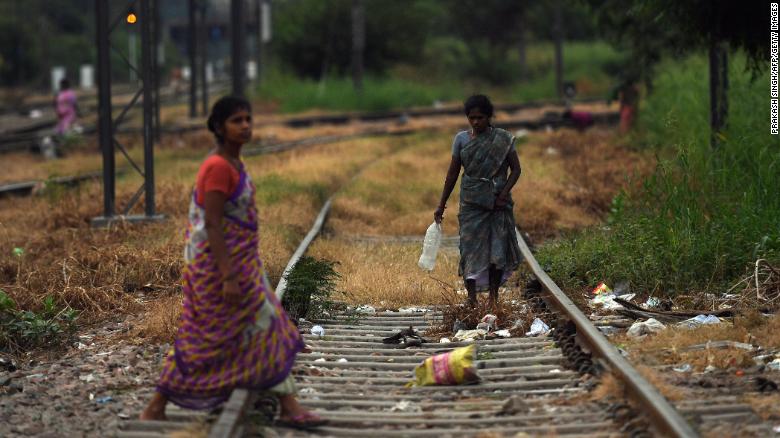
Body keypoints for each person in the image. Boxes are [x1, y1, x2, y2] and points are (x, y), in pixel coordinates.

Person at [140, 96, 326, 430]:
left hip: (241, 266)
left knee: (261, 327)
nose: (245, 126)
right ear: (219, 127)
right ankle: (156, 404)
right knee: (211, 336)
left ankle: (289, 405)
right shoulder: (217, 167)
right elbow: (211, 224)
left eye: (248, 119)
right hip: (217, 269)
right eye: (236, 120)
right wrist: (227, 276)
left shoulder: (234, 163)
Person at [434, 95, 522, 308]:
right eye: (471, 118)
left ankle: (493, 298)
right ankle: (471, 298)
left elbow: (516, 170)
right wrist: (441, 204)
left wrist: (503, 193)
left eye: (480, 117)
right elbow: (452, 174)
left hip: (497, 204)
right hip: (471, 203)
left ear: (489, 117)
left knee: (496, 250)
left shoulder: (502, 139)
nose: (475, 122)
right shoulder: (461, 140)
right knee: (470, 248)